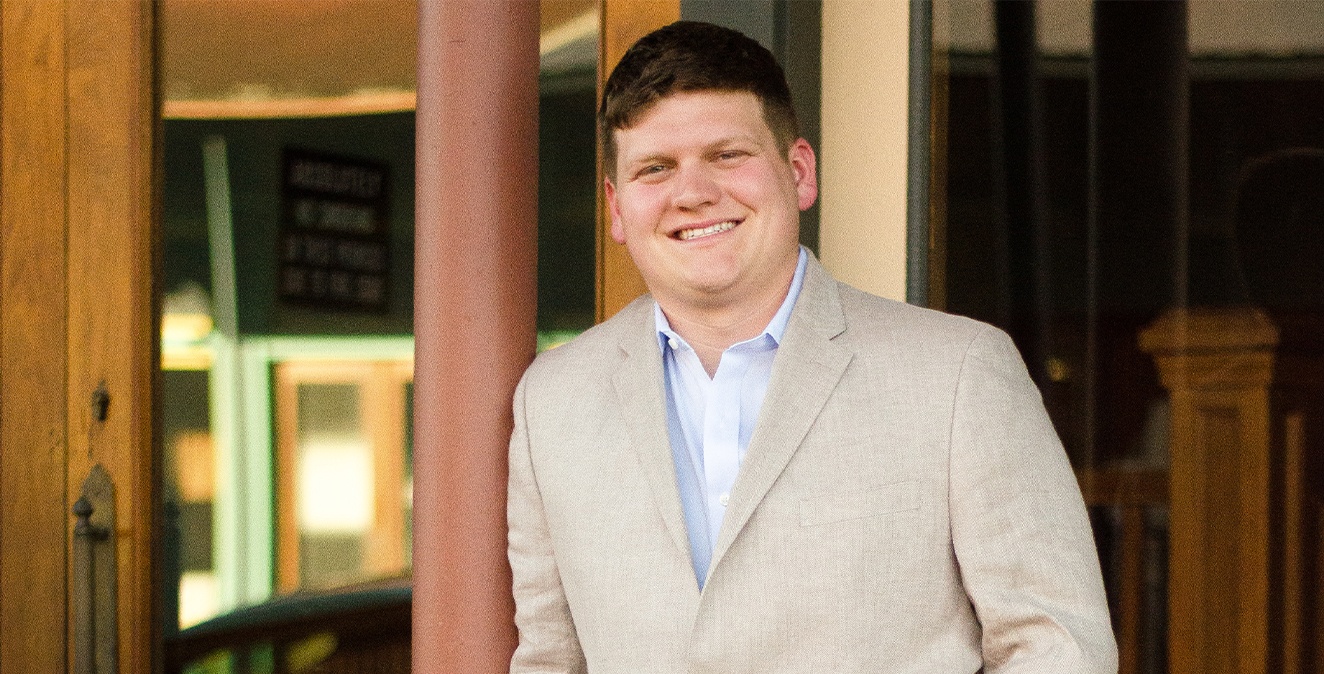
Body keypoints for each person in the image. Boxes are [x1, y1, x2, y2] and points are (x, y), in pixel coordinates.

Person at [507, 20, 1117, 673]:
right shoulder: (553, 401)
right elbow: (549, 659)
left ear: (799, 172)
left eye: (727, 155)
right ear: (617, 208)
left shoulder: (959, 373)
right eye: (655, 168)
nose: (692, 192)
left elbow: (1058, 647)